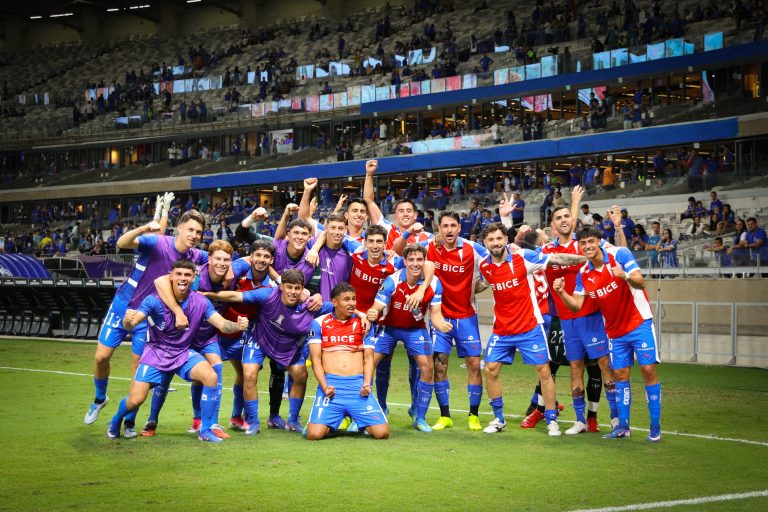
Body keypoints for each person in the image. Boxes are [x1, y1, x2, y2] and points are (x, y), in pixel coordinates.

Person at [84, 194, 204, 435]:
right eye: (190, 229)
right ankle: (99, 399)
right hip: (123, 306)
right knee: (101, 357)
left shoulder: (195, 257)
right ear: (179, 228)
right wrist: (144, 226)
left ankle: (129, 423)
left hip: (148, 318)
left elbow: (223, 261)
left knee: (138, 371)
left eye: (198, 232)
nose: (194, 235)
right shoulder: (157, 243)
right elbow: (122, 243)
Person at [107, 259, 248, 442]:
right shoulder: (153, 300)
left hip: (182, 353)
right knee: (136, 399)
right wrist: (127, 320)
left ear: (194, 277)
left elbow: (221, 324)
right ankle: (116, 420)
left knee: (211, 376)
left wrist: (237, 325)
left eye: (187, 275)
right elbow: (132, 323)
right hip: (155, 354)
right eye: (179, 274)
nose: (183, 278)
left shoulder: (201, 302)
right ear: (171, 276)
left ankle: (205, 430)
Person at [553, 226, 662, 442]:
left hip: (639, 322)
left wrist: (625, 277)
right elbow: (576, 306)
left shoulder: (619, 255)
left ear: (599, 241)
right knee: (620, 375)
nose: (587, 246)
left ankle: (655, 426)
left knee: (648, 369)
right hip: (614, 331)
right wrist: (562, 292)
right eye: (583, 243)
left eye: (591, 241)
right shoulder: (584, 273)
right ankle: (623, 426)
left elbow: (641, 282)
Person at [477, 222, 587, 436]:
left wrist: (586, 259)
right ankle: (499, 419)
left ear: (506, 239)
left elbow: (556, 259)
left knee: (544, 371)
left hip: (529, 326)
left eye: (499, 238)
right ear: (485, 243)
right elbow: (483, 283)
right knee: (490, 369)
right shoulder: (484, 265)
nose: (495, 243)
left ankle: (551, 420)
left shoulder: (523, 257)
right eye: (491, 240)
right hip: (502, 330)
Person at [204, 269, 332, 433]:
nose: (293, 292)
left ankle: (292, 421)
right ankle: (253, 421)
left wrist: (361, 315)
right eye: (289, 287)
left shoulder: (311, 305)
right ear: (281, 287)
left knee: (301, 374)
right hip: (259, 339)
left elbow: (337, 306)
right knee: (248, 374)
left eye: (297, 288)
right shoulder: (268, 295)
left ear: (302, 289)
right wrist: (207, 294)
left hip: (287, 346)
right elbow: (235, 296)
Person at [535, 187, 616, 434]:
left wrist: (618, 228)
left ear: (574, 220)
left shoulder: (585, 246)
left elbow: (618, 253)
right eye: (558, 218)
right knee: (575, 367)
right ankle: (580, 420)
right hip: (565, 319)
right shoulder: (546, 251)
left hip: (590, 316)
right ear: (551, 225)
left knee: (604, 365)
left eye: (567, 217)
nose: (563, 221)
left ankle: (615, 417)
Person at [142, 240, 238, 438]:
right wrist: (177, 311)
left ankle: (210, 423)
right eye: (217, 259)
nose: (222, 263)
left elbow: (249, 258)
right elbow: (161, 281)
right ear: (208, 260)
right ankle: (153, 419)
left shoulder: (232, 270)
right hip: (187, 334)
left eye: (226, 260)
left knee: (215, 369)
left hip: (209, 334)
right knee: (164, 377)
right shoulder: (194, 276)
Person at [366, 244, 451, 432]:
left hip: (416, 329)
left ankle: (419, 416)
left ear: (424, 261)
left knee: (427, 368)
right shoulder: (392, 281)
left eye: (419, 259)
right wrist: (372, 313)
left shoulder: (434, 283)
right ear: (404, 262)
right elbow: (377, 307)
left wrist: (441, 324)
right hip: (389, 328)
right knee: (369, 364)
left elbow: (435, 315)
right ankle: (370, 411)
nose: (415, 263)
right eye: (411, 260)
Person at [417, 211, 489, 431]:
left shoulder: (472, 248)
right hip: (439, 317)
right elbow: (410, 248)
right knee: (440, 365)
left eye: (453, 226)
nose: (449, 230)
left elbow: (496, 258)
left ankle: (473, 415)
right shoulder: (430, 246)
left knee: (475, 365)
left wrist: (481, 285)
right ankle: (445, 415)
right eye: (445, 226)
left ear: (460, 227)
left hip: (467, 316)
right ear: (439, 228)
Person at [305, 283, 389, 440]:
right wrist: (324, 387)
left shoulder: (363, 324)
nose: (352, 303)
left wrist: (366, 384)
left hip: (357, 387)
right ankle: (329, 420)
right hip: (332, 387)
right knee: (314, 435)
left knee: (382, 433)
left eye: (354, 299)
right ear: (334, 302)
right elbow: (315, 360)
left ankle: (357, 420)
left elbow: (369, 358)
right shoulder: (319, 323)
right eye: (346, 300)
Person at [364, 159, 432, 252]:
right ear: (395, 215)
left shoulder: (427, 237)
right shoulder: (387, 229)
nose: (405, 214)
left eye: (408, 211)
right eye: (401, 211)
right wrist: (369, 174)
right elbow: (368, 202)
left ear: (415, 215)